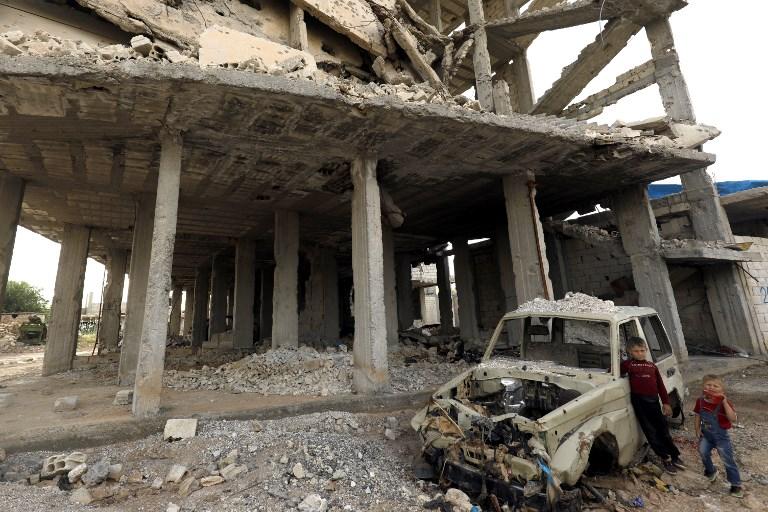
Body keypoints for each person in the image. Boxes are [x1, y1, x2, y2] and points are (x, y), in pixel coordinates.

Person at [621, 337, 684, 473]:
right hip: (640, 403)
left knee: (663, 429)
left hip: (654, 401)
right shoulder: (628, 365)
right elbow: (614, 371)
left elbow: (660, 386)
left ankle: (674, 455)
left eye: (642, 350)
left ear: (646, 350)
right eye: (636, 351)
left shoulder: (651, 366)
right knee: (651, 432)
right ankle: (665, 458)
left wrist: (666, 403)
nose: (640, 353)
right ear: (630, 352)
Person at [694, 374, 743, 498]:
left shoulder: (724, 403)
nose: (711, 387)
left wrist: (725, 402)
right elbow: (697, 415)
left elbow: (733, 418)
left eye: (715, 386)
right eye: (708, 385)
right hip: (706, 435)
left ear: (722, 390)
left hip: (721, 437)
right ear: (703, 387)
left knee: (727, 460)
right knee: (703, 451)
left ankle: (735, 484)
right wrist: (697, 429)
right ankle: (711, 471)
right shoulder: (700, 401)